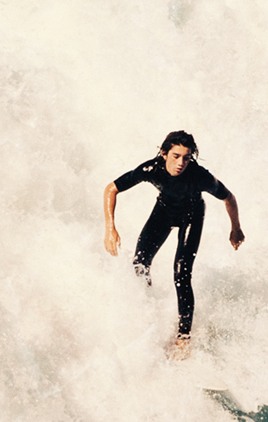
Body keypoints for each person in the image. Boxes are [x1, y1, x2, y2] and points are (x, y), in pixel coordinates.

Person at [103, 130, 243, 357]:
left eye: (186, 158)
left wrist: (236, 228)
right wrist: (110, 228)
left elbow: (229, 197)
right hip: (164, 212)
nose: (181, 163)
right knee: (140, 264)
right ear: (164, 153)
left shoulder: (200, 176)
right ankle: (147, 315)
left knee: (181, 273)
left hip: (192, 217)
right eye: (176, 156)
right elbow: (111, 188)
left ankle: (183, 338)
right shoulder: (152, 168)